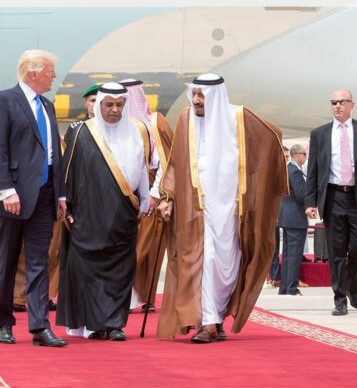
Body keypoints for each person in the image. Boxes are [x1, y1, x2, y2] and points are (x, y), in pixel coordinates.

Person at [157, 74, 286, 342]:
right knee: (203, 261)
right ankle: (208, 322)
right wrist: (167, 196)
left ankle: (217, 314)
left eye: (201, 96)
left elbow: (272, 136)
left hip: (231, 211)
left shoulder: (238, 118)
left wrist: (256, 181)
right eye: (194, 95)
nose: (196, 101)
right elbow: (175, 162)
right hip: (196, 208)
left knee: (227, 266)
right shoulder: (185, 119)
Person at [0, 50, 67, 347]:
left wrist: (60, 193)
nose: (53, 76)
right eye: (50, 71)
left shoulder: (46, 105)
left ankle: (39, 326)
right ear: (33, 73)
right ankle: (4, 322)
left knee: (38, 261)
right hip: (12, 196)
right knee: (6, 261)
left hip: (44, 196)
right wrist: (6, 189)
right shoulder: (3, 101)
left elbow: (52, 153)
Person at [57, 83, 149, 340]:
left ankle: (115, 323)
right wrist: (66, 205)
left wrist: (144, 200)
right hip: (89, 214)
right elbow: (68, 173)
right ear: (98, 105)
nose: (114, 110)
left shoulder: (136, 131)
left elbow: (141, 168)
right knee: (89, 268)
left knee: (121, 268)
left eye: (119, 105)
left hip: (124, 213)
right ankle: (95, 323)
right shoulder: (82, 132)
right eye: (109, 105)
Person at [304, 89, 357, 316]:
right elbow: (313, 169)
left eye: (342, 102)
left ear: (352, 104)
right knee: (336, 251)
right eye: (333, 102)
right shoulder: (320, 134)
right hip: (333, 197)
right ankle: (340, 298)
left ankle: (352, 288)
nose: (337, 106)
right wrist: (311, 201)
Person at [120, 77, 174, 309]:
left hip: (153, 193)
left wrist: (153, 194)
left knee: (148, 249)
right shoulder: (118, 125)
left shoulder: (155, 123)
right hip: (125, 194)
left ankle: (145, 298)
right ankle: (124, 295)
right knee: (126, 246)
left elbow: (167, 161)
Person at [277, 144, 308, 295]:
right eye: (304, 154)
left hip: (287, 216)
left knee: (288, 255)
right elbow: (301, 195)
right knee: (294, 255)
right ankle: (291, 288)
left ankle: (285, 287)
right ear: (298, 155)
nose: (305, 157)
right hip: (296, 217)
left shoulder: (286, 169)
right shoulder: (295, 171)